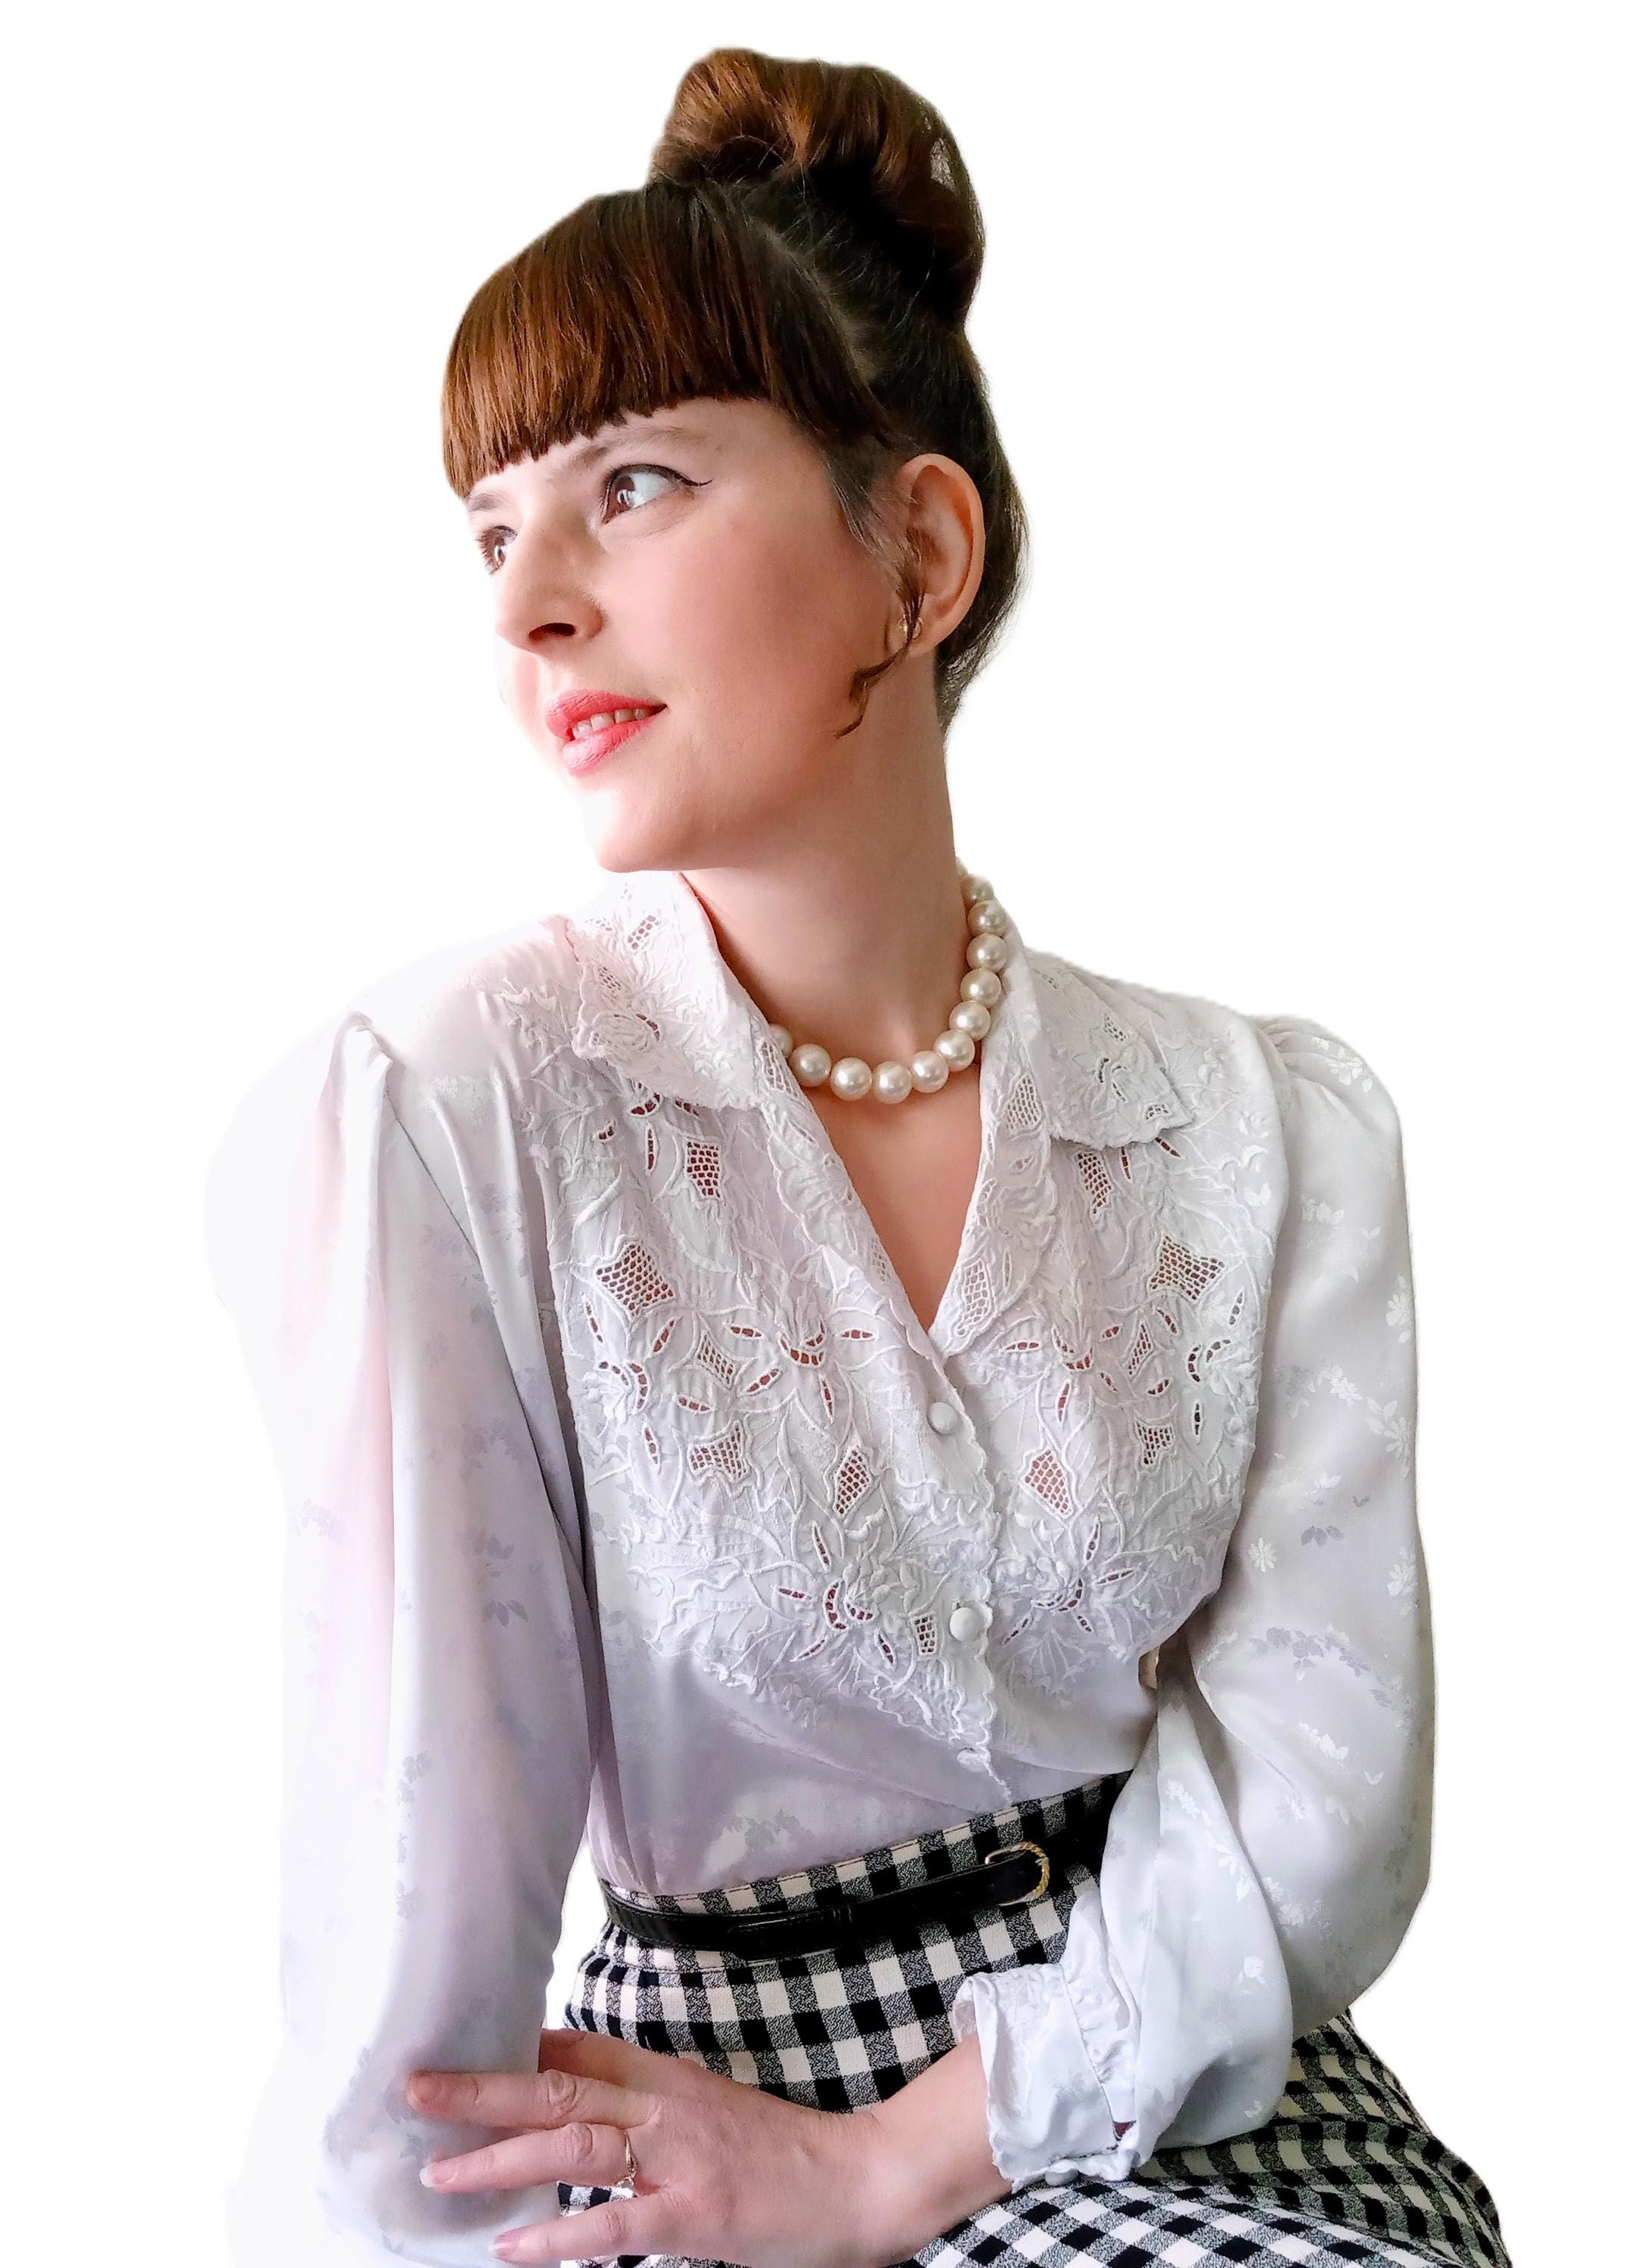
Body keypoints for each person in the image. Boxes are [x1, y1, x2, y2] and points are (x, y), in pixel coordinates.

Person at [203, 44, 1513, 2268]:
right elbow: (406, 1886)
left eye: (630, 486)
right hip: (694, 2122)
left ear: (917, 551)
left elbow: (1321, 1788)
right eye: (495, 529)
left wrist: (906, 2163)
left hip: (1193, 2091)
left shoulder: (1267, 1128)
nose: (528, 608)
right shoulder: (455, 1104)